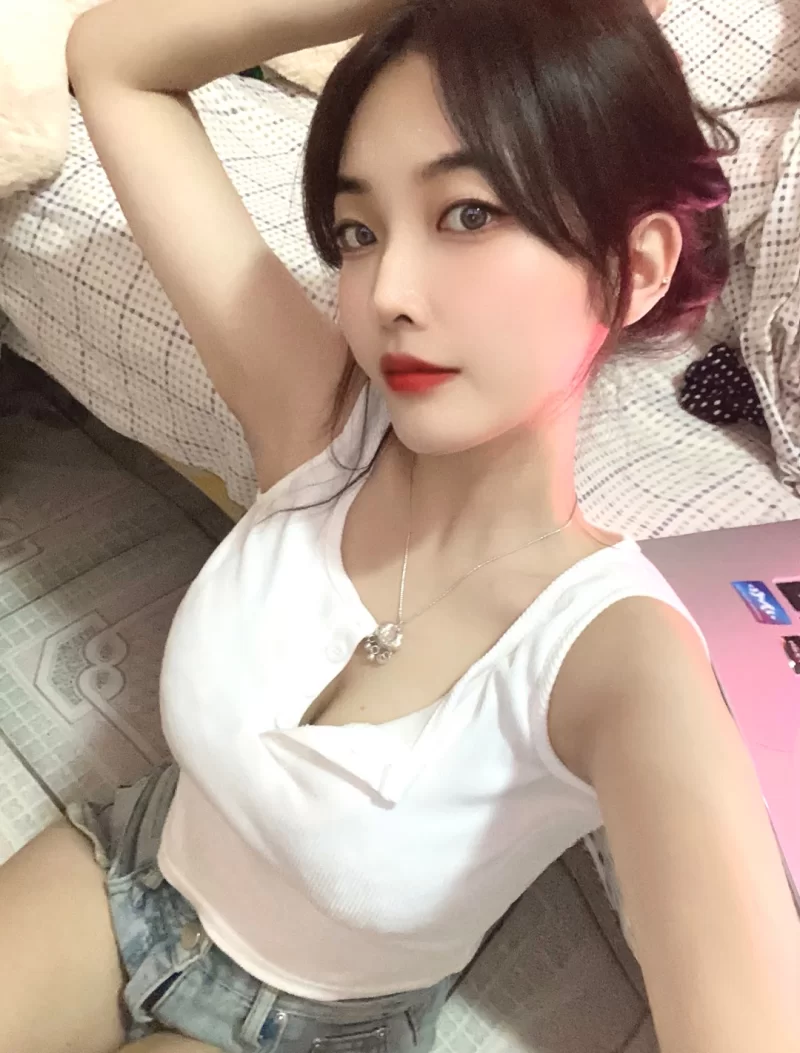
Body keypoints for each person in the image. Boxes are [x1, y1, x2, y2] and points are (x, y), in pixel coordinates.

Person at [1, 0, 798, 1051]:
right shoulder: (321, 419)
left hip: (302, 1022)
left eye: (466, 215)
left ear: (636, 265)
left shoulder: (617, 657)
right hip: (133, 864)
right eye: (357, 232)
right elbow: (116, 64)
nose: (387, 294)